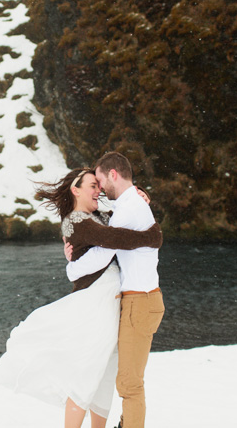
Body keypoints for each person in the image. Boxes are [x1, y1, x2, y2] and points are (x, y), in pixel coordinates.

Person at [0, 167, 162, 428]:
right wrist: (152, 237)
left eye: (99, 185)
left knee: (104, 374)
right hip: (95, 303)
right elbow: (113, 239)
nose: (99, 191)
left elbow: (122, 222)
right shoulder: (75, 221)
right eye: (93, 186)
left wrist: (140, 196)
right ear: (76, 189)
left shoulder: (98, 217)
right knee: (87, 373)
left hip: (110, 302)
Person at [65, 152, 164, 428]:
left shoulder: (129, 209)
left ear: (113, 175)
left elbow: (103, 253)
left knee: (129, 384)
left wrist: (71, 267)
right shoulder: (130, 203)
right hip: (141, 300)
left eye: (100, 181)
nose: (100, 189)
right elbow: (108, 220)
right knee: (126, 379)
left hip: (139, 302)